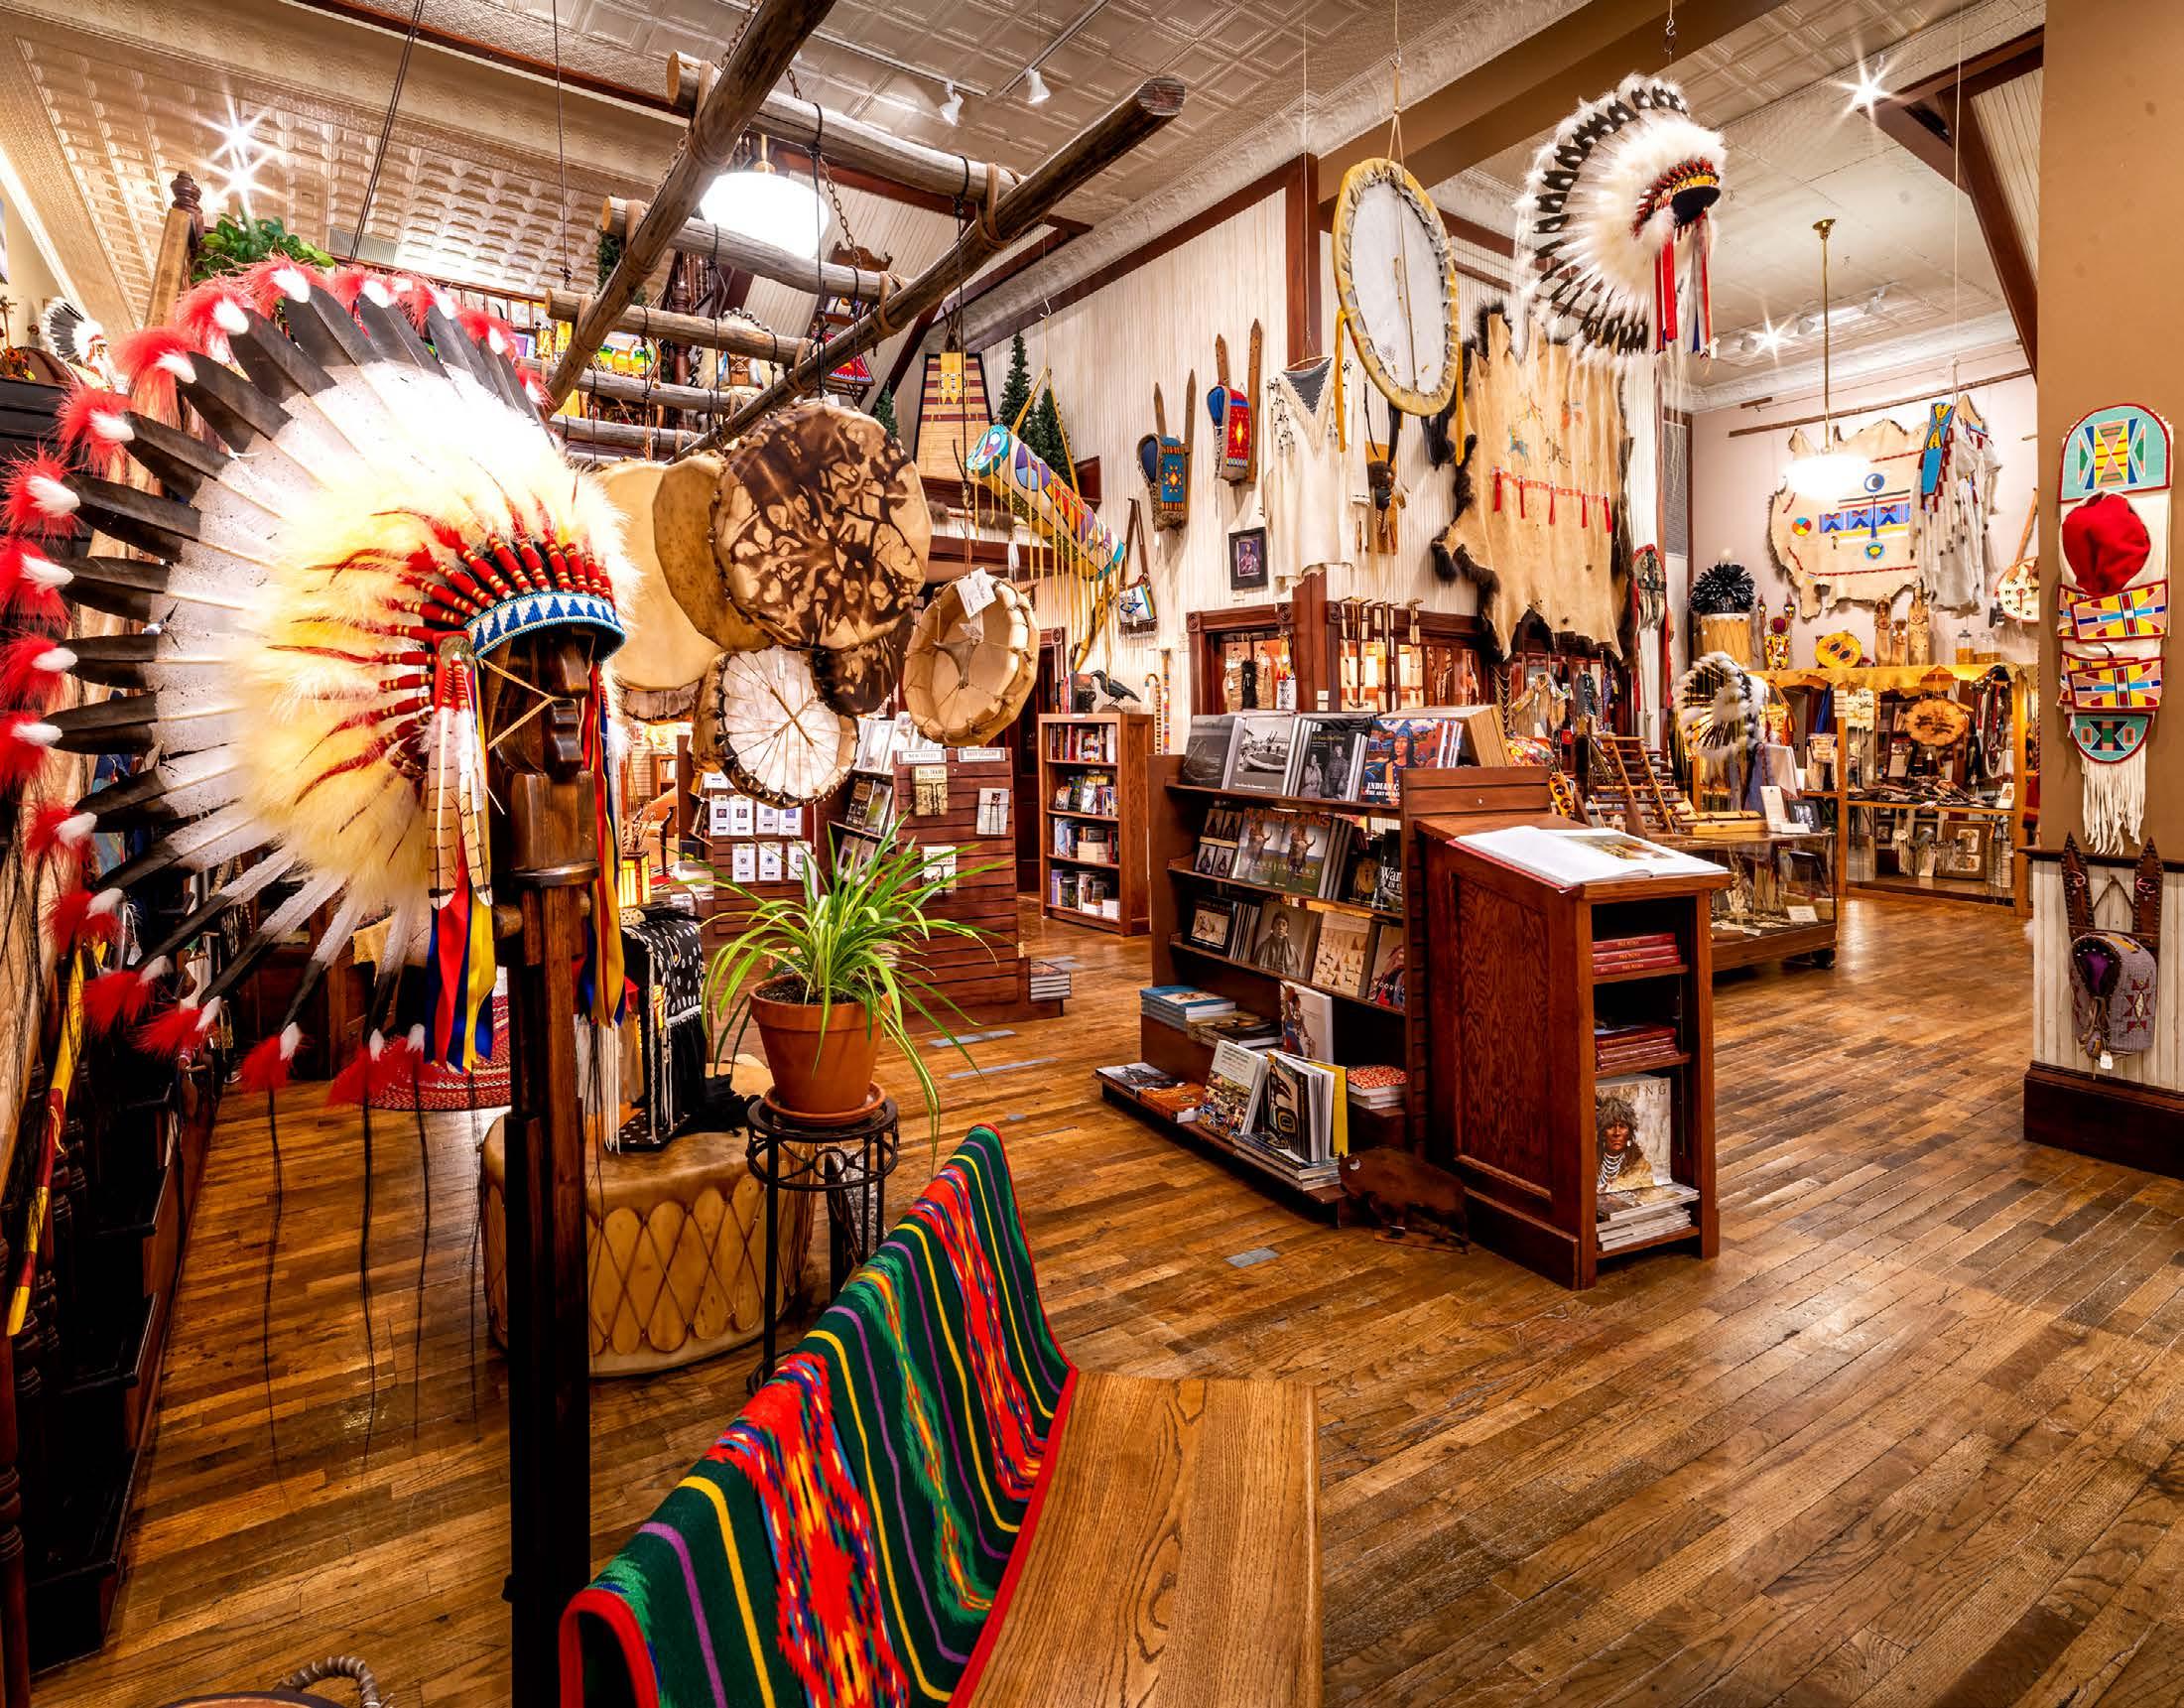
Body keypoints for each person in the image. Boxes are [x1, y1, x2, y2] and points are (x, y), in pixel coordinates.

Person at [1596, 1094, 1659, 1197]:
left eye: (1622, 1126)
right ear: (1603, 1132)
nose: (1617, 1133)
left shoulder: (1641, 1166)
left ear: (1629, 1132)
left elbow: (1648, 1197)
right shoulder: (1589, 1157)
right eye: (1610, 1126)